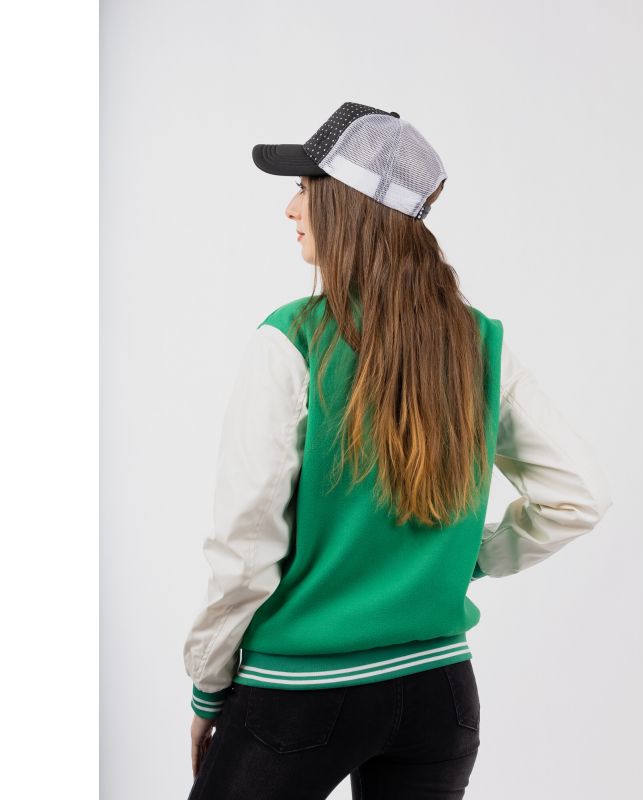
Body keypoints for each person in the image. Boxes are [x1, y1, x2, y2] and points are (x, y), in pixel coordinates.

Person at [182, 100, 614, 799]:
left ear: (348, 205)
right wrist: (464, 558)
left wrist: (208, 684)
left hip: (299, 692)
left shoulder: (291, 339)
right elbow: (581, 495)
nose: (290, 209)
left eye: (306, 189)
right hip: (439, 694)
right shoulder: (478, 342)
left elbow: (245, 544)